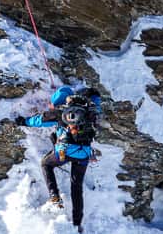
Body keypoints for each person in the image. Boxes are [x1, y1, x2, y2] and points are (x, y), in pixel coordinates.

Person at [16, 86, 102, 232]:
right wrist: (93, 96)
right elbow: (97, 103)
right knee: (76, 187)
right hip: (84, 154)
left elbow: (39, 120)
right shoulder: (90, 111)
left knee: (46, 164)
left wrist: (23, 121)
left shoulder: (61, 112)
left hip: (64, 151)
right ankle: (77, 224)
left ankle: (54, 196)